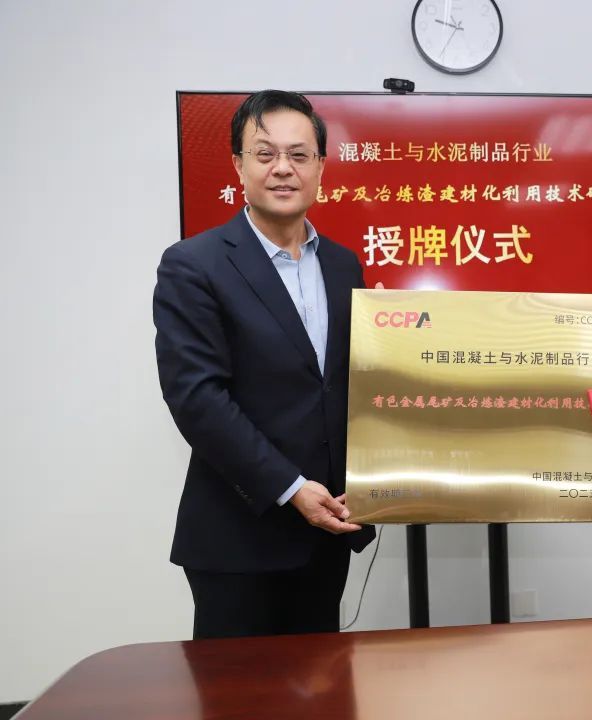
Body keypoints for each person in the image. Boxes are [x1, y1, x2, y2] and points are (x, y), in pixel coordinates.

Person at [153, 90, 375, 638]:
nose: (283, 168)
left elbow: (350, 386)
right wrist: (292, 488)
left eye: (299, 155)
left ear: (320, 167)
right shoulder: (194, 265)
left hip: (328, 531)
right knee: (237, 686)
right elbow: (198, 399)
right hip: (239, 538)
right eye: (265, 153)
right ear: (239, 165)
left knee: (322, 680)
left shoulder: (343, 265)